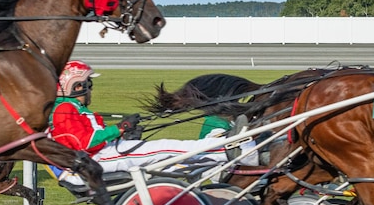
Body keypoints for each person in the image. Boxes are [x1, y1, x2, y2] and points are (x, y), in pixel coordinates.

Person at [46, 60, 257, 194]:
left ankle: (225, 155)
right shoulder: (65, 108)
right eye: (88, 84)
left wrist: (126, 132)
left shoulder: (70, 107)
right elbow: (85, 142)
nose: (91, 89)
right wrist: (119, 128)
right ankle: (232, 149)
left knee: (174, 164)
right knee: (169, 148)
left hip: (103, 155)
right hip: (97, 159)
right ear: (77, 85)